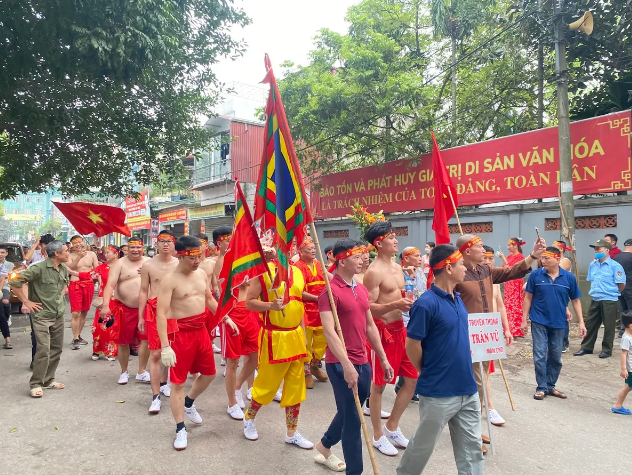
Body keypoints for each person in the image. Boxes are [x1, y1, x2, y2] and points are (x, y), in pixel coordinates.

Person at [397, 244, 482, 475]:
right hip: (438, 391)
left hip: (467, 388)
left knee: (472, 449)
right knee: (423, 446)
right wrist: (427, 369)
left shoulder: (457, 298)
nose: (465, 268)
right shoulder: (426, 304)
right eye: (461, 264)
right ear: (448, 267)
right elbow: (412, 345)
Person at [315, 239, 394, 474]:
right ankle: (355, 471)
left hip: (363, 360)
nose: (363, 260)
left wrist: (383, 358)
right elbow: (329, 332)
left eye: (362, 256)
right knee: (353, 421)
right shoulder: (329, 293)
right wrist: (346, 364)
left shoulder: (360, 289)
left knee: (350, 409)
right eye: (357, 257)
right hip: (340, 363)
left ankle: (325, 443)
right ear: (341, 261)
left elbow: (370, 326)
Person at [455, 234, 544, 434]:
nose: (484, 251)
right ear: (467, 251)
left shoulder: (485, 270)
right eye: (479, 247)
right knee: (476, 380)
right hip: (466, 333)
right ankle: (471, 429)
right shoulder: (456, 272)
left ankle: (471, 424)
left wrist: (533, 255)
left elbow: (512, 271)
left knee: (482, 377)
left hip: (486, 333)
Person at [243, 248, 313, 450]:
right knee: (266, 385)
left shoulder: (297, 271)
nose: (288, 249)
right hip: (274, 337)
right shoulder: (263, 271)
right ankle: (249, 418)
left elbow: (299, 304)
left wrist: (303, 333)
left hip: (296, 336)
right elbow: (249, 303)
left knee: (295, 387)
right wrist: (270, 306)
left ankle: (292, 432)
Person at [157, 235, 220, 450]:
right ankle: (180, 428)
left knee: (210, 374)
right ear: (180, 255)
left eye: (199, 256)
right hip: (180, 334)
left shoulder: (201, 273)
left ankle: (189, 402)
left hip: (200, 331)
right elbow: (161, 314)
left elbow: (209, 299)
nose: (197, 261)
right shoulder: (170, 280)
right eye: (193, 257)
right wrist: (165, 346)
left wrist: (225, 318)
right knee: (178, 383)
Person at [363, 221, 417, 456]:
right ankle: (377, 435)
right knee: (379, 386)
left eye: (395, 236)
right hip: (382, 333)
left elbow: (402, 295)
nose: (396, 240)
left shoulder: (398, 267)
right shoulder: (373, 272)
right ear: (378, 243)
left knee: (412, 379)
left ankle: (392, 426)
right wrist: (395, 304)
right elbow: (368, 308)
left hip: (401, 330)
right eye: (391, 237)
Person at [522, 246, 586, 400]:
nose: (543, 261)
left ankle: (550, 385)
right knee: (539, 355)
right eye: (542, 258)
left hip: (559, 322)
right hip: (538, 320)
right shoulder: (535, 275)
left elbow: (575, 300)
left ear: (557, 259)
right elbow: (528, 297)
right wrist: (524, 319)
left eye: (547, 258)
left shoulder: (568, 278)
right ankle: (541, 387)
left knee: (556, 356)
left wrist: (581, 322)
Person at [9, 241, 69, 398]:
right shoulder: (38, 268)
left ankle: (48, 380)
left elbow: (62, 287)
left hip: (58, 314)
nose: (68, 253)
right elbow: (14, 281)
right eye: (66, 251)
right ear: (57, 253)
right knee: (43, 349)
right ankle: (36, 383)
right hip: (42, 316)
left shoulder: (62, 268)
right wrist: (26, 301)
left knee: (57, 348)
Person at [138, 231, 179, 414]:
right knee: (155, 354)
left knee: (172, 350)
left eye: (169, 241)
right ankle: (155, 396)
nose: (165, 244)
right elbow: (143, 291)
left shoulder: (179, 264)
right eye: (162, 241)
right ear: (156, 243)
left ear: (174, 244)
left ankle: (165, 382)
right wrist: (141, 317)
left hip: (175, 310)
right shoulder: (148, 265)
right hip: (154, 311)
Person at [100, 236, 151, 384]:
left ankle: (142, 371)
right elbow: (110, 285)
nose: (135, 250)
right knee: (123, 341)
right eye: (132, 247)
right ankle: (124, 371)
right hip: (124, 308)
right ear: (127, 249)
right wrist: (105, 305)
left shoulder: (149, 262)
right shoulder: (120, 264)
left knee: (146, 340)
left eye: (138, 247)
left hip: (146, 308)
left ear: (143, 248)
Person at [574, 239, 626, 359]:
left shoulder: (615, 266)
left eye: (599, 249)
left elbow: (621, 284)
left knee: (609, 326)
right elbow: (592, 280)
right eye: (595, 249)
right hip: (595, 298)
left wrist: (613, 293)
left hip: (609, 299)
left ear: (607, 250)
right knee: (590, 324)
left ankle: (606, 350)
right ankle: (586, 347)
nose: (596, 251)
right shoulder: (593, 265)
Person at [294, 236, 328, 389]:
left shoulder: (319, 264)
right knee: (305, 342)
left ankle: (314, 365)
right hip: (306, 311)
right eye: (309, 249)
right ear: (301, 252)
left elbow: (328, 281)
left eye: (314, 248)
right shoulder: (297, 267)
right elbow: (297, 291)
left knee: (323, 341)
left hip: (321, 310)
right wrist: (316, 298)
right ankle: (306, 372)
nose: (313, 251)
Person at [67, 235, 99, 349]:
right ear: (72, 245)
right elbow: (69, 269)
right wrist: (78, 257)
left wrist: (100, 283)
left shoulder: (92, 254)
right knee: (76, 312)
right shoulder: (70, 255)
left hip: (89, 284)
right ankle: (75, 338)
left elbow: (97, 270)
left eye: (79, 242)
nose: (78, 244)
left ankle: (78, 335)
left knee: (84, 311)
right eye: (75, 243)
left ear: (83, 242)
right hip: (75, 284)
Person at [91, 245, 122, 361]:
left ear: (116, 254)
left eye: (108, 252)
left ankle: (111, 351)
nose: (105, 254)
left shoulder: (122, 267)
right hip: (103, 300)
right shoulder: (101, 267)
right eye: (104, 253)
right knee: (98, 326)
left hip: (117, 300)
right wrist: (71, 271)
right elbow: (87, 275)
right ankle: (97, 349)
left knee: (113, 326)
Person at [499, 237, 527, 337]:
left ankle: (516, 329)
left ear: (515, 246)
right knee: (508, 304)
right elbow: (505, 268)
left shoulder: (520, 257)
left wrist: (503, 259)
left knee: (516, 304)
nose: (508, 247)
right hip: (508, 282)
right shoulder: (510, 256)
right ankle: (509, 328)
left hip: (516, 282)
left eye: (509, 245)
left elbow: (513, 269)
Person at [552, 240, 574, 352]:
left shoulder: (565, 261)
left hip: (563, 292)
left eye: (554, 247)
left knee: (562, 316)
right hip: (553, 291)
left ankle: (564, 342)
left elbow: (555, 271)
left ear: (561, 249)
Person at [611, 312, 632, 415]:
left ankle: (618, 406)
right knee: (627, 387)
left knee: (628, 387)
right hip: (631, 369)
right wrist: (624, 369)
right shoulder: (627, 339)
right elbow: (623, 354)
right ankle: (617, 406)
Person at [613, 238, 632, 338]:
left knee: (623, 309)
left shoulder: (616, 257)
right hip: (630, 286)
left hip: (619, 287)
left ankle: (622, 331)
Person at [0, 245, 13, 349]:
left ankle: (7, 340)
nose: (0, 254)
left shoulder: (6, 266)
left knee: (4, 303)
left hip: (3, 288)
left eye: (2, 252)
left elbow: (3, 280)